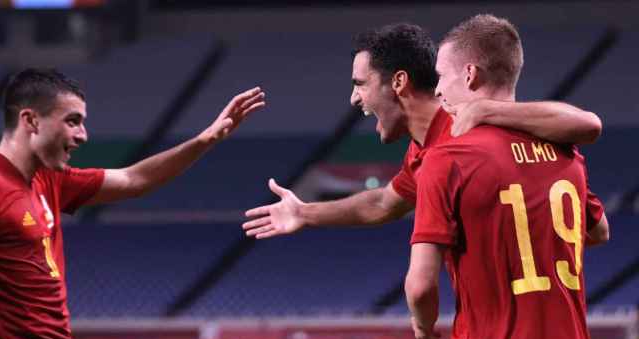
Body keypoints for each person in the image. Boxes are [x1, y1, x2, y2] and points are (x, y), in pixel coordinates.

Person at [243, 23, 601, 241]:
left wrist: (488, 109)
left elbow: (586, 125)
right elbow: (383, 203)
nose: (353, 98)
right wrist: (305, 213)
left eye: (360, 84)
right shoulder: (424, 149)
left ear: (398, 82)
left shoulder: (468, 130)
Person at [0, 68, 265, 339]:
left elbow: (134, 180)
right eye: (72, 121)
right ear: (31, 120)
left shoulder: (48, 179)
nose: (82, 135)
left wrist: (205, 140)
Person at [404, 15, 609, 339]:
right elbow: (599, 231)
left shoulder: (445, 159)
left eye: (440, 76)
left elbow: (421, 284)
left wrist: (423, 322)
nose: (437, 90)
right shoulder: (565, 152)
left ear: (469, 75)